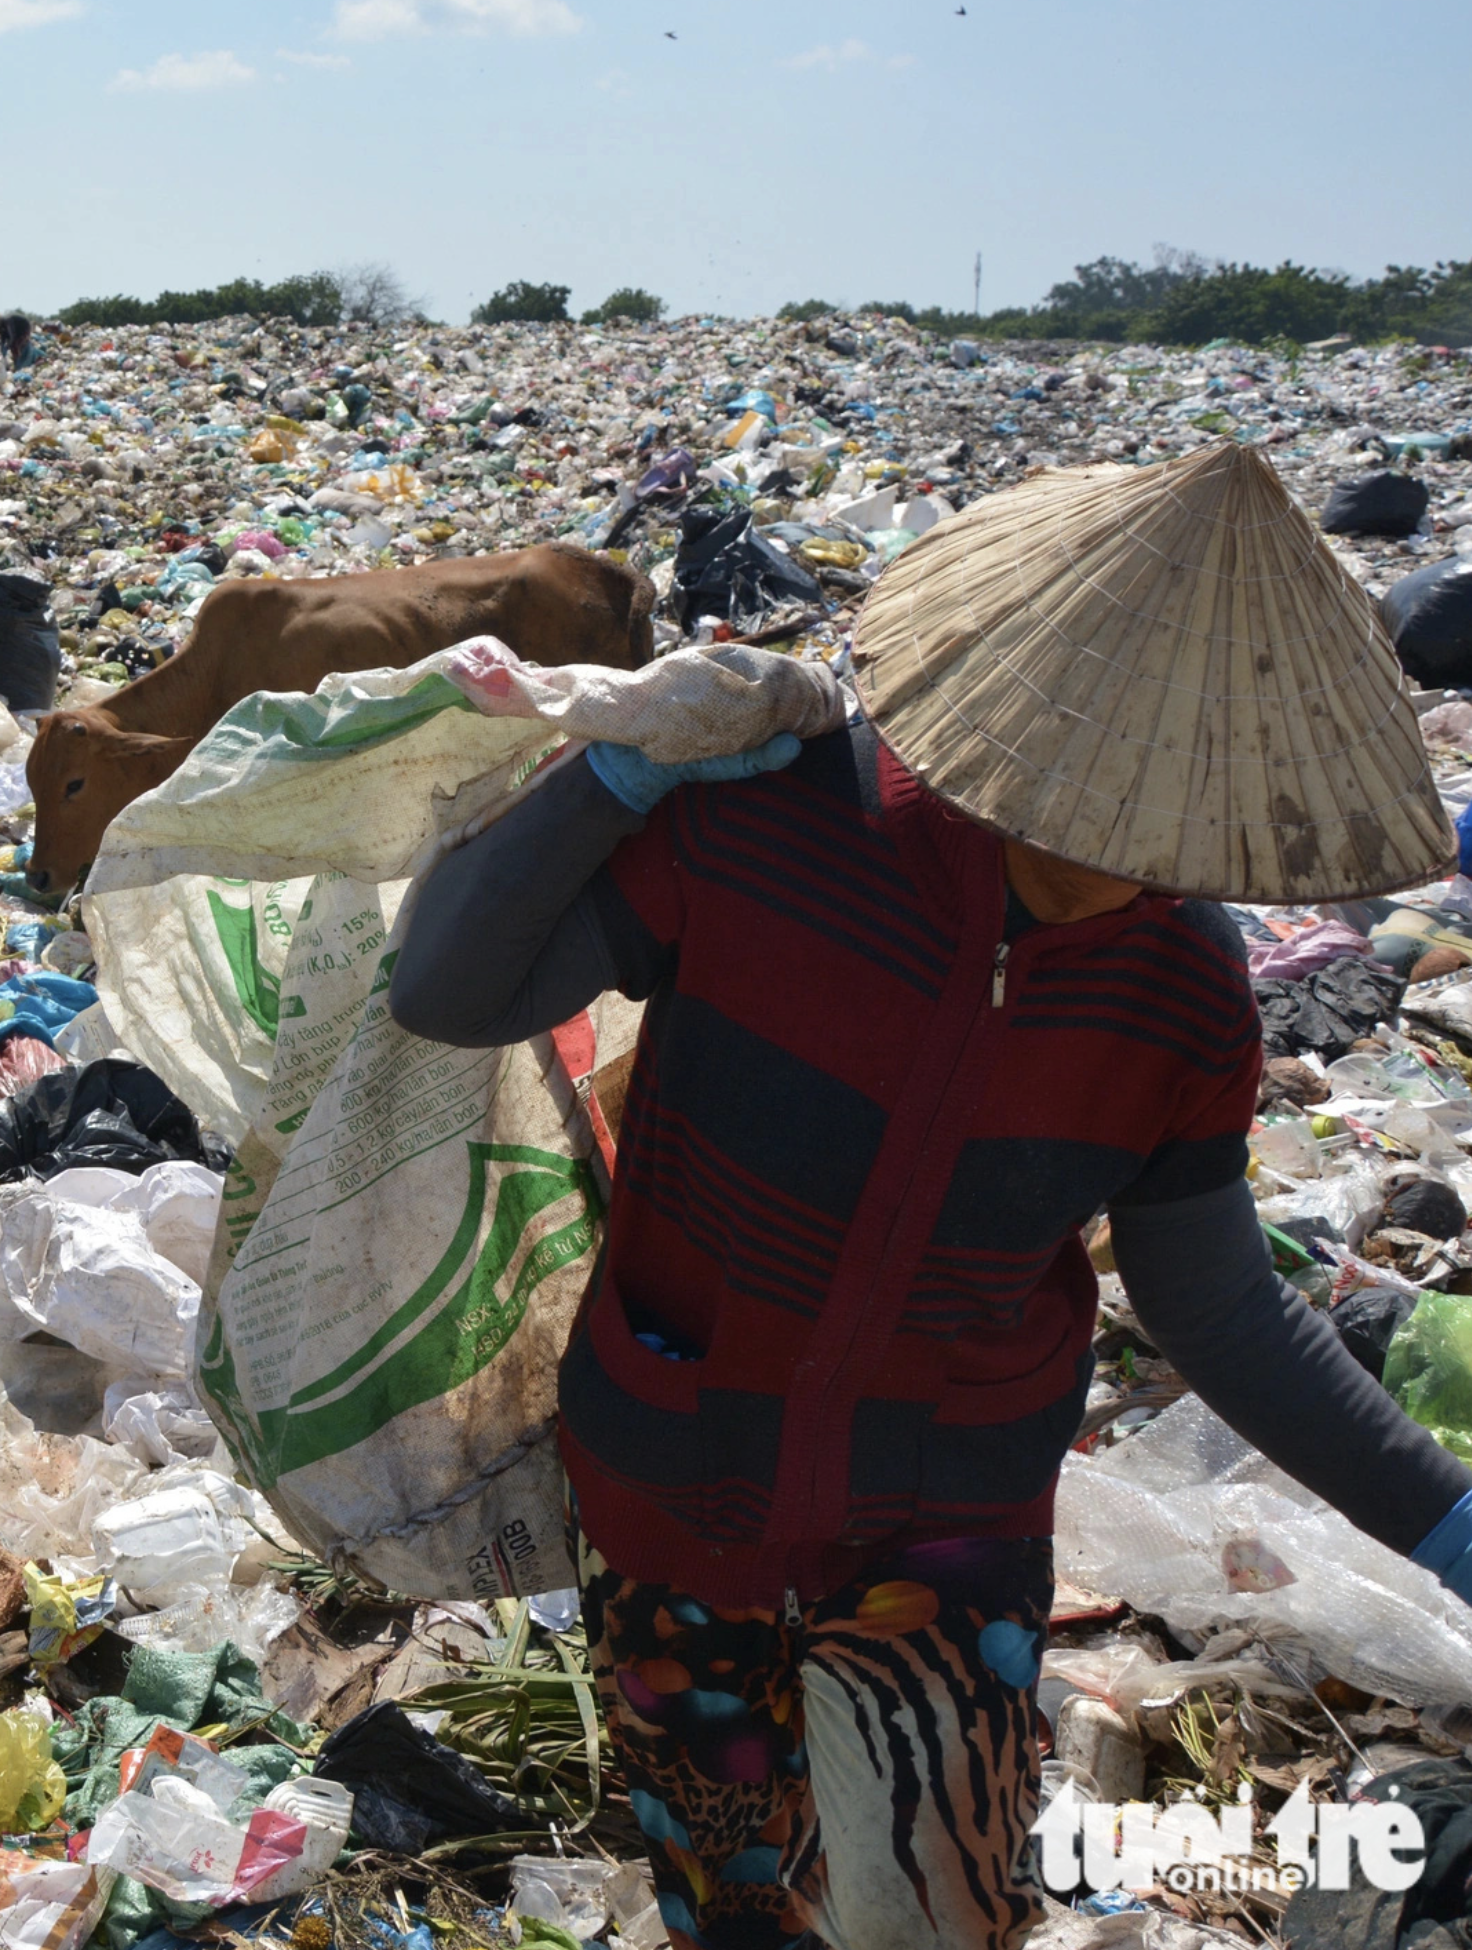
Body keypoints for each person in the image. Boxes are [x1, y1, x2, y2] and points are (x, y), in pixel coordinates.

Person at [387, 442, 1472, 1950]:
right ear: (1019, 711)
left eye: (1167, 826)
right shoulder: (767, 828)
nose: (1118, 861)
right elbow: (447, 990)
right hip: (672, 1481)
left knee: (945, 1901)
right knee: (736, 1898)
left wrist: (1445, 1518)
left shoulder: (1179, 992)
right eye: (1093, 801)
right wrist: (616, 767)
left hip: (949, 1524)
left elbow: (1213, 1301)